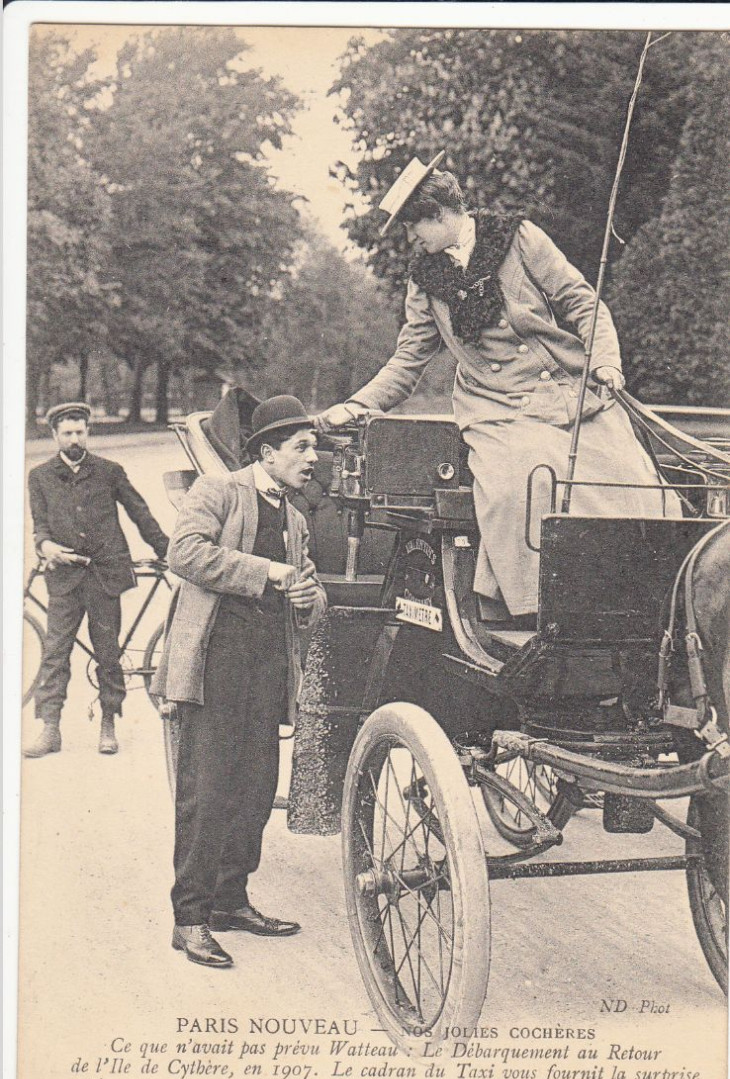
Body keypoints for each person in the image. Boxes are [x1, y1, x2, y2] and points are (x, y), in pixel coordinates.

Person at [315, 153, 679, 623]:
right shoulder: (425, 283)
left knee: (630, 480)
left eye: (412, 227)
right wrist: (356, 405)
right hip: (497, 409)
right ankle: (537, 615)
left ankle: (643, 610)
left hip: (571, 392)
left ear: (439, 215)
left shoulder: (520, 238)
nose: (411, 240)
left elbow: (583, 305)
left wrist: (606, 362)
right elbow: (407, 362)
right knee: (520, 488)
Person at [151, 395, 327, 968]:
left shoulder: (297, 519)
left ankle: (230, 900)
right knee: (209, 791)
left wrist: (306, 597)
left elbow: (311, 593)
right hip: (216, 660)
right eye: (302, 447)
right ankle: (191, 919)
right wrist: (270, 574)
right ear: (267, 452)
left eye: (315, 447)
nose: (313, 458)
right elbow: (185, 554)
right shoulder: (218, 491)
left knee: (254, 790)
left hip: (268, 664)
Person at [24, 403, 169, 759]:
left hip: (105, 574)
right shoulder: (39, 476)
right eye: (68, 433)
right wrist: (46, 546)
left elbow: (140, 513)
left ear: (88, 432)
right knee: (55, 653)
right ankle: (50, 728)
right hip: (64, 578)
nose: (75, 439)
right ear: (54, 435)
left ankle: (109, 723)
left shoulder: (109, 471)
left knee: (108, 653)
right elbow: (39, 525)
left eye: (81, 432)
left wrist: (167, 549)